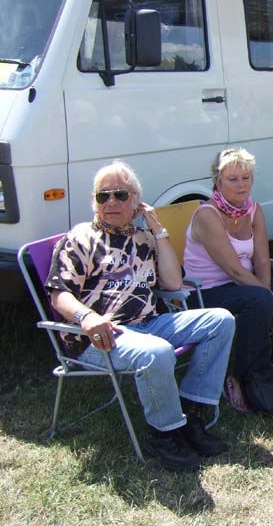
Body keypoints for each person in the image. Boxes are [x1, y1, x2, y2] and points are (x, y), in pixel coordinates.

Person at [46, 161, 235, 471]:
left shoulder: (143, 240)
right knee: (157, 351)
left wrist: (159, 231)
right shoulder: (79, 240)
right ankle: (164, 433)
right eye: (103, 196)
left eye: (121, 195)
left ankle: (190, 412)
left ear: (136, 201)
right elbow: (59, 294)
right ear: (93, 201)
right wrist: (87, 317)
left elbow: (173, 284)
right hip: (99, 337)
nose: (111, 203)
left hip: (148, 324)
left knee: (221, 320)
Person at [183, 149, 273, 414]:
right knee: (261, 299)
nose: (241, 184)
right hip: (205, 291)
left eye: (246, 177)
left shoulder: (254, 211)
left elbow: (263, 261)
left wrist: (269, 293)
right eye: (233, 179)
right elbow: (234, 270)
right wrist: (270, 298)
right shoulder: (208, 215)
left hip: (244, 284)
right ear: (218, 182)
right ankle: (239, 377)